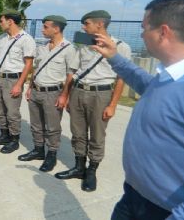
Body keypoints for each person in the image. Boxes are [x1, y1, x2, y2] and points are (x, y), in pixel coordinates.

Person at [89, 0, 184, 220]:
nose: (141, 34)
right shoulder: (170, 76)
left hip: (168, 212)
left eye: (144, 27)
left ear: (163, 32)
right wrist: (114, 57)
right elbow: (147, 86)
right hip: (134, 198)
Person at [54, 10, 131, 192]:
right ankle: (79, 167)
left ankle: (91, 171)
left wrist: (112, 105)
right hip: (79, 92)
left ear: (100, 24)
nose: (83, 26)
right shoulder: (83, 43)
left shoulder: (120, 46)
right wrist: (66, 94)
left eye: (86, 23)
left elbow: (121, 78)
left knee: (97, 134)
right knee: (78, 132)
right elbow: (72, 71)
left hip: (101, 95)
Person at [18, 15, 76, 172]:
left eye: (45, 27)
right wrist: (29, 87)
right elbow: (36, 69)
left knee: (52, 127)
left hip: (53, 93)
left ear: (56, 29)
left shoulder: (69, 49)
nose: (42, 29)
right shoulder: (43, 47)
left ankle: (51, 154)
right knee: (36, 124)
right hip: (36, 90)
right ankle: (38, 150)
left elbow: (71, 74)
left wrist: (65, 95)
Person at [0, 9, 36, 154]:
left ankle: (14, 140)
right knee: (0, 110)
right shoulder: (2, 38)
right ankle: (4, 135)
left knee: (12, 112)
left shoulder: (26, 39)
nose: (0, 23)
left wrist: (19, 84)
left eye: (1, 21)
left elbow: (28, 64)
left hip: (13, 80)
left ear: (10, 21)